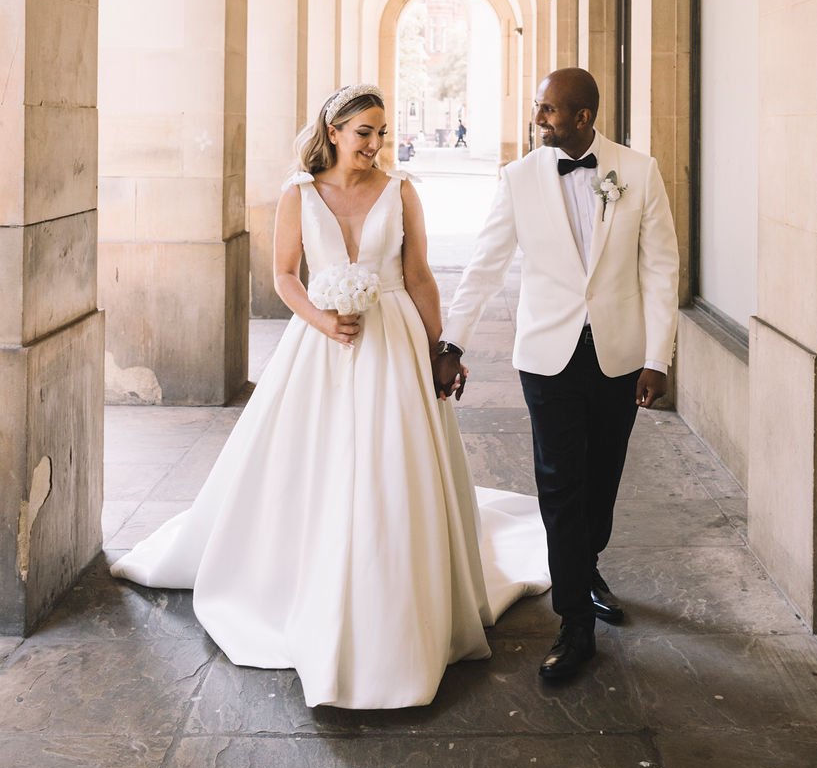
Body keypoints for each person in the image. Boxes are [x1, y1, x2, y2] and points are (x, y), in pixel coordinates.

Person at [110, 84, 548, 709]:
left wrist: (440, 348)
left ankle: (398, 595)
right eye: (364, 132)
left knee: (391, 466)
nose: (375, 144)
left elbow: (419, 273)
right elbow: (286, 275)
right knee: (315, 462)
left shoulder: (402, 191)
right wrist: (322, 320)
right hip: (320, 343)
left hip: (394, 339)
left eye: (382, 133)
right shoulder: (297, 194)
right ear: (334, 131)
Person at [445, 68, 679, 683]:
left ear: (583, 117)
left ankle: (584, 561)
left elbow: (660, 270)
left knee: (602, 479)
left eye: (549, 111)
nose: (538, 119)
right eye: (537, 109)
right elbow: (485, 264)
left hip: (619, 356)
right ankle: (574, 621)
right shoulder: (518, 179)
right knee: (559, 483)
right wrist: (452, 341)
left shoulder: (638, 172)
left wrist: (659, 356)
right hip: (546, 358)